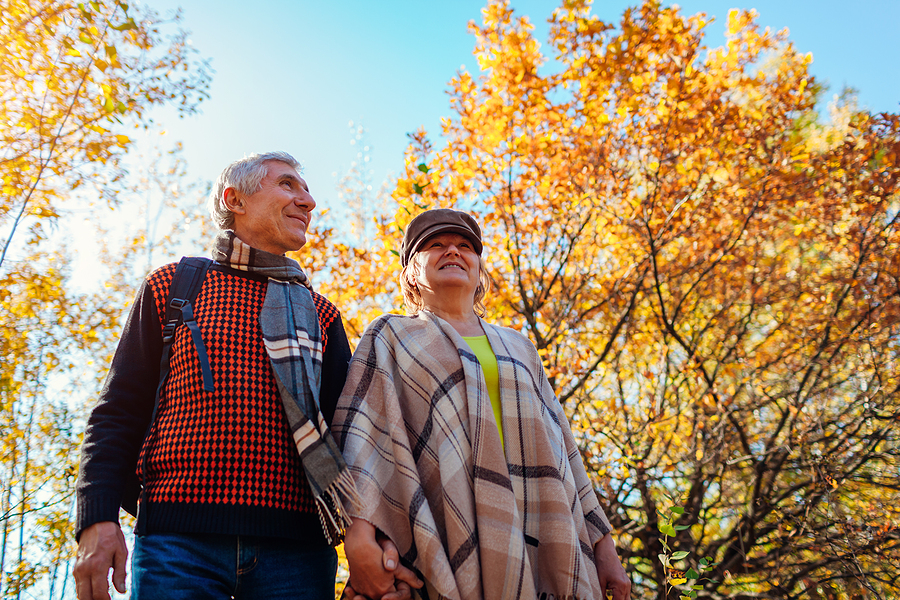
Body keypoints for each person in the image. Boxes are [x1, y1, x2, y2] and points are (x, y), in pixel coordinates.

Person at [73, 151, 413, 600]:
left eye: (307, 191)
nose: (307, 201)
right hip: (177, 542)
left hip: (298, 552)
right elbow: (117, 411)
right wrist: (97, 517)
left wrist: (375, 539)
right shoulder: (174, 286)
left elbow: (350, 438)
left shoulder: (322, 315)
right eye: (288, 185)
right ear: (234, 199)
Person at [334, 208, 631, 600]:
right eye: (435, 245)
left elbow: (565, 450)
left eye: (465, 247)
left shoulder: (519, 346)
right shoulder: (391, 336)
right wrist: (357, 539)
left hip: (541, 521)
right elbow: (361, 441)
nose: (453, 251)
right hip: (445, 529)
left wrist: (603, 546)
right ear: (410, 272)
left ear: (479, 270)